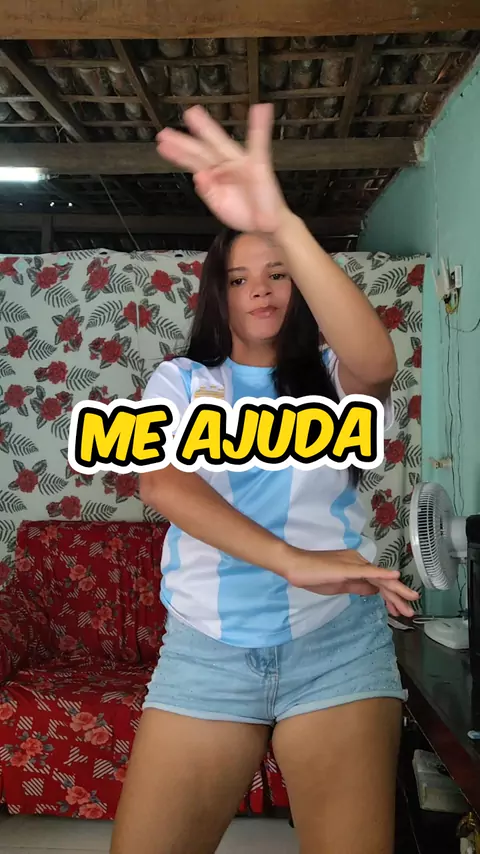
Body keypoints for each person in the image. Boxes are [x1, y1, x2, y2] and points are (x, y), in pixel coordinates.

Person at [110, 104, 419, 854]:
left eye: (278, 273)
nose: (261, 289)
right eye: (241, 278)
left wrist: (279, 220)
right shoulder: (182, 381)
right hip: (207, 649)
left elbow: (378, 362)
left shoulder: (333, 381)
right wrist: (292, 561)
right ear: (218, 295)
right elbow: (163, 485)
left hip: (335, 645)